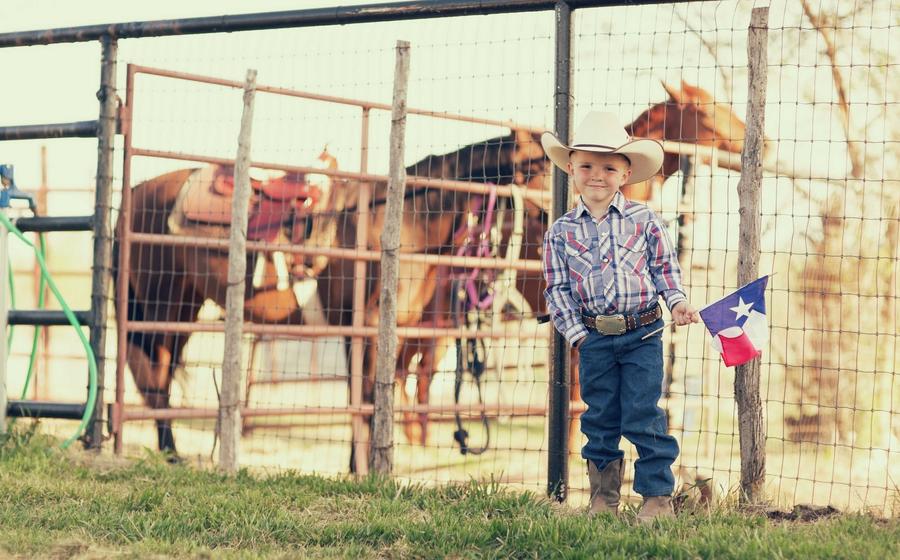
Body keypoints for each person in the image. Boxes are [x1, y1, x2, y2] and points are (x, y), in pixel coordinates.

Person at [541, 111, 700, 522]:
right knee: (600, 417)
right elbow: (557, 290)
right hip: (594, 339)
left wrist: (677, 302)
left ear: (626, 172)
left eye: (609, 167)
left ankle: (656, 498)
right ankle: (603, 497)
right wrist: (579, 336)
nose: (598, 175)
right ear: (571, 169)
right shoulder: (560, 232)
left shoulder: (645, 221)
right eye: (587, 166)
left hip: (643, 333)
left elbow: (666, 270)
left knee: (644, 413)